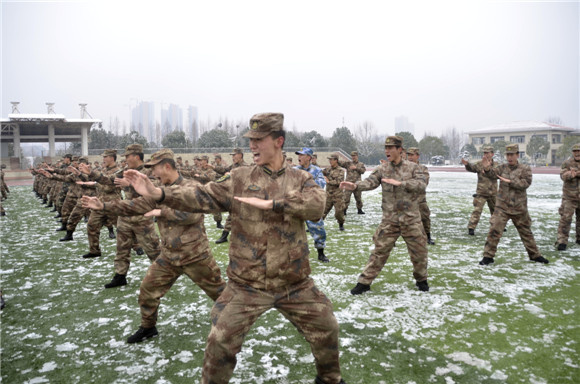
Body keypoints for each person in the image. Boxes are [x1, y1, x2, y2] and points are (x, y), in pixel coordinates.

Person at [123, 113, 346, 384]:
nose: (252, 145)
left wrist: (275, 204)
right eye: (250, 140)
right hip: (247, 285)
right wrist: (160, 194)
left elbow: (316, 206)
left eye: (258, 140)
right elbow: (203, 195)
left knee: (327, 327)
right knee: (220, 341)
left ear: (278, 141)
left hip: (295, 283)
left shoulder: (300, 178)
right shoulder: (239, 177)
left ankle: (329, 379)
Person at [82, 149, 226, 343]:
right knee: (147, 291)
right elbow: (135, 205)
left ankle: (237, 321)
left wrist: (161, 212)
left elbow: (192, 214)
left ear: (167, 166)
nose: (153, 174)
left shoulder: (190, 186)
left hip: (195, 256)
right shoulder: (159, 190)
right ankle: (148, 328)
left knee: (222, 295)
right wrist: (104, 207)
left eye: (155, 169)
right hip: (169, 256)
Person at [341, 136, 430, 294]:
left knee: (420, 253)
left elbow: (422, 184)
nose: (387, 151)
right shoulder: (383, 169)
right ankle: (364, 282)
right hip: (390, 220)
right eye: (386, 148)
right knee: (379, 252)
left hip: (411, 220)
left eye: (391, 148)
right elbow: (371, 181)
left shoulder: (414, 168)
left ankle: (421, 279)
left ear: (399, 150)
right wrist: (355, 185)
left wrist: (402, 183)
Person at [91, 144, 162, 288]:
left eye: (127, 157)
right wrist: (91, 173)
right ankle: (120, 275)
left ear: (136, 156)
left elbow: (154, 190)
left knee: (153, 248)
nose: (126, 160)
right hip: (125, 215)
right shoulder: (125, 171)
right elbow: (110, 180)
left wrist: (128, 184)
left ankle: (164, 274)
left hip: (142, 216)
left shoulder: (148, 171)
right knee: (122, 248)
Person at [478, 143, 549, 265]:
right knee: (494, 231)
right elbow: (492, 175)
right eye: (508, 155)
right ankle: (488, 257)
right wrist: (488, 168)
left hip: (519, 208)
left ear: (517, 155)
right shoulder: (502, 167)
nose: (509, 157)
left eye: (512, 155)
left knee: (526, 233)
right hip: (502, 207)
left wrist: (511, 181)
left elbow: (526, 183)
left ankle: (535, 255)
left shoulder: (525, 168)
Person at [78, 149, 122, 258]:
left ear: (112, 158)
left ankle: (136, 246)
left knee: (122, 228)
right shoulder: (103, 170)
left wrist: (98, 182)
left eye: (105, 157)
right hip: (99, 204)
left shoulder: (119, 171)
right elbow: (99, 183)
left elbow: (108, 187)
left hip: (113, 204)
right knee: (92, 225)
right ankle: (94, 251)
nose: (103, 159)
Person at [295, 147, 329, 262]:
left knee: (318, 229)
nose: (299, 157)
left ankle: (321, 253)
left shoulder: (316, 170)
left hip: (311, 205)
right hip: (297, 204)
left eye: (302, 155)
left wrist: (305, 183)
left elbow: (321, 183)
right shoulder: (294, 170)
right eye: (298, 155)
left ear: (309, 157)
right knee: (293, 230)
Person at [461, 145, 499, 235]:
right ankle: (471, 228)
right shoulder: (479, 164)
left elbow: (496, 175)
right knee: (477, 211)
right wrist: (467, 164)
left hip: (493, 192)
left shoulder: (496, 165)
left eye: (488, 153)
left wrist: (487, 168)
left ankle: (497, 227)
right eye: (484, 153)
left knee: (495, 211)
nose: (486, 155)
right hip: (481, 192)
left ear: (492, 154)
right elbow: (472, 168)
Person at [214, 148, 249, 244]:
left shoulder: (245, 167)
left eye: (234, 155)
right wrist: (212, 167)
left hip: (243, 195)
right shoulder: (234, 165)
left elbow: (244, 180)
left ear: (240, 155)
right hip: (234, 194)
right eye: (232, 155)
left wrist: (232, 175)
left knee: (240, 216)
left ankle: (228, 235)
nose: (233, 157)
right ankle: (225, 236)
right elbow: (224, 170)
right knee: (233, 215)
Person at [406, 147, 435, 245]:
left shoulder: (423, 169)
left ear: (417, 156)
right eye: (408, 155)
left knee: (425, 218)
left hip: (420, 199)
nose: (409, 157)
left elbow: (424, 183)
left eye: (412, 155)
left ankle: (428, 237)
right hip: (405, 199)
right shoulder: (402, 168)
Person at [556, 143, 580, 250]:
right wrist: (570, 174)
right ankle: (562, 241)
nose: (577, 153)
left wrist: (577, 173)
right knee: (565, 219)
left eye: (579, 151)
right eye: (575, 151)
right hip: (569, 197)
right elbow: (563, 175)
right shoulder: (567, 163)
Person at [322, 152, 346, 231]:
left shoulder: (341, 171)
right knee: (322, 212)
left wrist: (329, 181)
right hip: (328, 195)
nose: (330, 161)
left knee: (339, 213)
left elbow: (339, 181)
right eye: (329, 160)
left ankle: (341, 224)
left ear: (336, 160)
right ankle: (316, 226)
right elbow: (319, 173)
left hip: (338, 195)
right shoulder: (327, 169)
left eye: (331, 160)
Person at [339, 151, 366, 215]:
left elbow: (363, 171)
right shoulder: (348, 163)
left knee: (358, 198)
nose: (353, 157)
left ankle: (359, 210)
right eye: (352, 156)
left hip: (357, 184)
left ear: (357, 156)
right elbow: (340, 163)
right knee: (346, 198)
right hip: (348, 183)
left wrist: (356, 168)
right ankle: (344, 210)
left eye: (354, 156)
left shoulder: (361, 164)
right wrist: (336, 158)